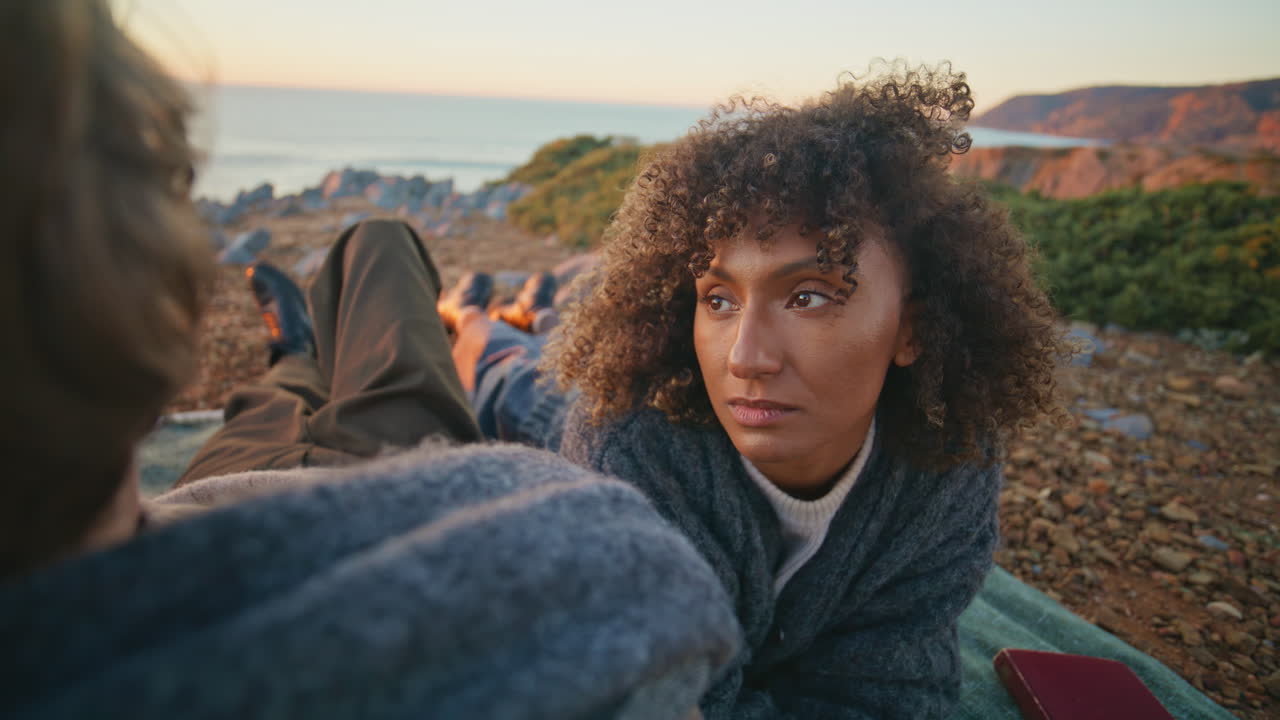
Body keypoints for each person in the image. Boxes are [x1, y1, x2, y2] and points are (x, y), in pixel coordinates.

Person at [0, 2, 739, 718]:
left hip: (217, 480)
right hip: (389, 459)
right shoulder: (584, 581)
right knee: (377, 239)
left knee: (271, 402)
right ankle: (304, 359)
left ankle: (293, 358)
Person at [448, 64, 1067, 719]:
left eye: (808, 297)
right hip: (559, 412)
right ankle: (469, 312)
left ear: (911, 329)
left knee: (545, 336)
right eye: (718, 298)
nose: (745, 358)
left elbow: (894, 693)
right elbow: (676, 700)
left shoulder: (949, 461)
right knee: (505, 366)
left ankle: (534, 308)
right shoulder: (628, 455)